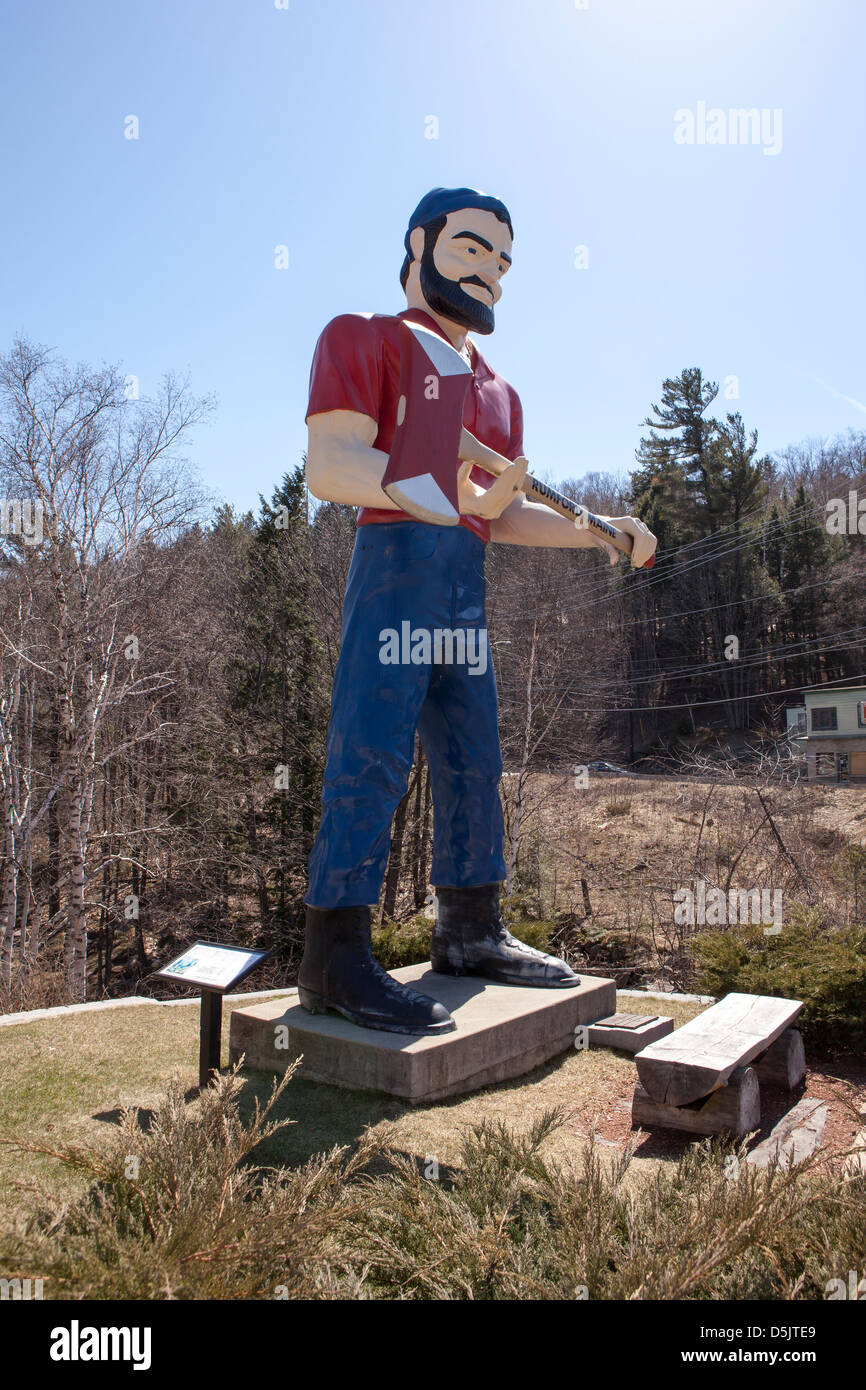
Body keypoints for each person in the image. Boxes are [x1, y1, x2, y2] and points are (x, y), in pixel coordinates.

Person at [300, 186, 656, 1035]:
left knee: (474, 760)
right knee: (372, 752)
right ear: (420, 242)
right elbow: (331, 464)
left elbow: (496, 514)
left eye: (502, 260)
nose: (490, 271)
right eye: (470, 248)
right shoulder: (364, 337)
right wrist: (425, 489)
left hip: (464, 580)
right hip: (395, 567)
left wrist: (602, 540)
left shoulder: (497, 392)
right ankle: (335, 955)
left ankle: (470, 929)